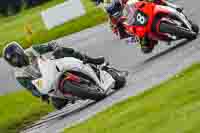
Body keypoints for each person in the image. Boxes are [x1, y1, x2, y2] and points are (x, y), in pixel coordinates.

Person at [3, 41, 105, 102]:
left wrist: (55, 47)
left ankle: (89, 59)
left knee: (63, 51)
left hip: (51, 66)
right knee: (58, 103)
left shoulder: (32, 50)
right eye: (11, 60)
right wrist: (41, 95)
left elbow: (49, 46)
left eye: (15, 57)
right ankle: (75, 93)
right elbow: (30, 88)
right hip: (47, 84)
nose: (15, 61)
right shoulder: (19, 75)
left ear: (20, 52)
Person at [95, 0, 183, 53]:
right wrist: (132, 37)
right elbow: (120, 34)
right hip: (137, 26)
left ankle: (173, 7)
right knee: (146, 48)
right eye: (112, 11)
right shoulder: (112, 19)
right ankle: (159, 37)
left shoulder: (124, 1)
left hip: (142, 10)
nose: (115, 12)